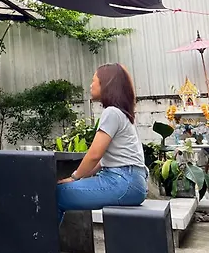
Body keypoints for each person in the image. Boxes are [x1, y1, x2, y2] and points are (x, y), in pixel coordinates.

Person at [57, 63, 148, 223]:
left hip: (122, 181)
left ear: (106, 84)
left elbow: (94, 154)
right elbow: (101, 161)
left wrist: (74, 177)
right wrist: (81, 178)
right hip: (132, 181)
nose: (90, 85)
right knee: (62, 192)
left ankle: (42, 239)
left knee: (55, 194)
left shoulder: (111, 112)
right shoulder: (122, 113)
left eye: (94, 81)